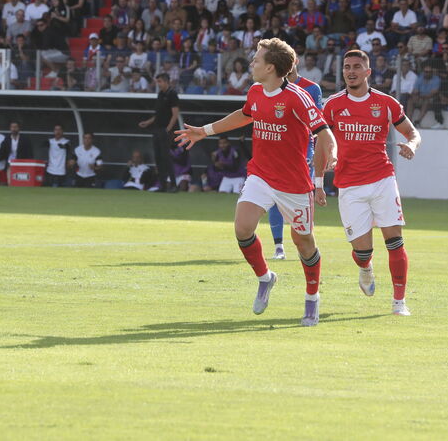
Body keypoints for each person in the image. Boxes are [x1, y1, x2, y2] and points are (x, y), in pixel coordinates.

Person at [175, 38, 337, 327]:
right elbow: (245, 114)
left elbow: (323, 131)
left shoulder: (298, 98)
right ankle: (265, 278)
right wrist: (205, 130)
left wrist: (331, 155)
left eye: (257, 60)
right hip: (260, 174)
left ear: (271, 67)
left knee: (304, 244)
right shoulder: (255, 91)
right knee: (242, 228)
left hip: (294, 182)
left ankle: (312, 298)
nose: (252, 63)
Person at [322, 49, 420, 316]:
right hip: (349, 185)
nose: (350, 71)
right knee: (362, 252)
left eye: (356, 67)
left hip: (382, 179)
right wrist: (319, 180)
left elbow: (412, 131)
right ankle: (365, 268)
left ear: (367, 72)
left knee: (395, 240)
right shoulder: (332, 105)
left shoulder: (386, 103)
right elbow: (321, 140)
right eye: (346, 67)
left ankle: (399, 302)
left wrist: (412, 145)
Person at [267, 63, 323, 260]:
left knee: (302, 199)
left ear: (295, 62)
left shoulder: (311, 88)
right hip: (278, 150)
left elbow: (318, 122)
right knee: (274, 197)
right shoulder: (271, 87)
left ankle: (306, 244)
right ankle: (278, 247)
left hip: (303, 151)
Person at [138, 73, 179, 191]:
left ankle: (173, 184)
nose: (158, 84)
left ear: (166, 82)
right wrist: (147, 122)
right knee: (158, 157)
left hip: (165, 130)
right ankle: (163, 185)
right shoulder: (160, 94)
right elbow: (157, 115)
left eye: (160, 81)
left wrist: (168, 129)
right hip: (157, 129)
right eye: (157, 82)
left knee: (166, 157)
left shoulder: (172, 94)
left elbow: (175, 115)